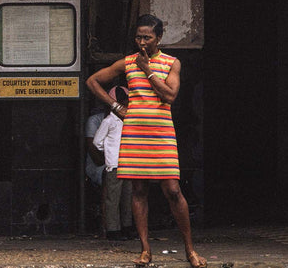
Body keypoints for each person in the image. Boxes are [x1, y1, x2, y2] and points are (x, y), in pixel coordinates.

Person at [85, 15, 206, 268]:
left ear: (158, 38)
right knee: (139, 191)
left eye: (147, 37)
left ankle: (190, 250)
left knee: (173, 190)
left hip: (162, 134)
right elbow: (92, 81)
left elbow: (170, 95)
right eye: (139, 37)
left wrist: (147, 69)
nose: (142, 42)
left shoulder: (171, 63)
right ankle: (145, 250)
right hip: (135, 133)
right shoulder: (128, 63)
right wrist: (116, 106)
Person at [92, 86, 133, 241]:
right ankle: (113, 230)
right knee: (113, 198)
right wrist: (109, 152)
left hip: (128, 164)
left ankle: (126, 227)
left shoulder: (128, 120)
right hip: (115, 165)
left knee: (127, 197)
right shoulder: (109, 121)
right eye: (123, 102)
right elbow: (97, 142)